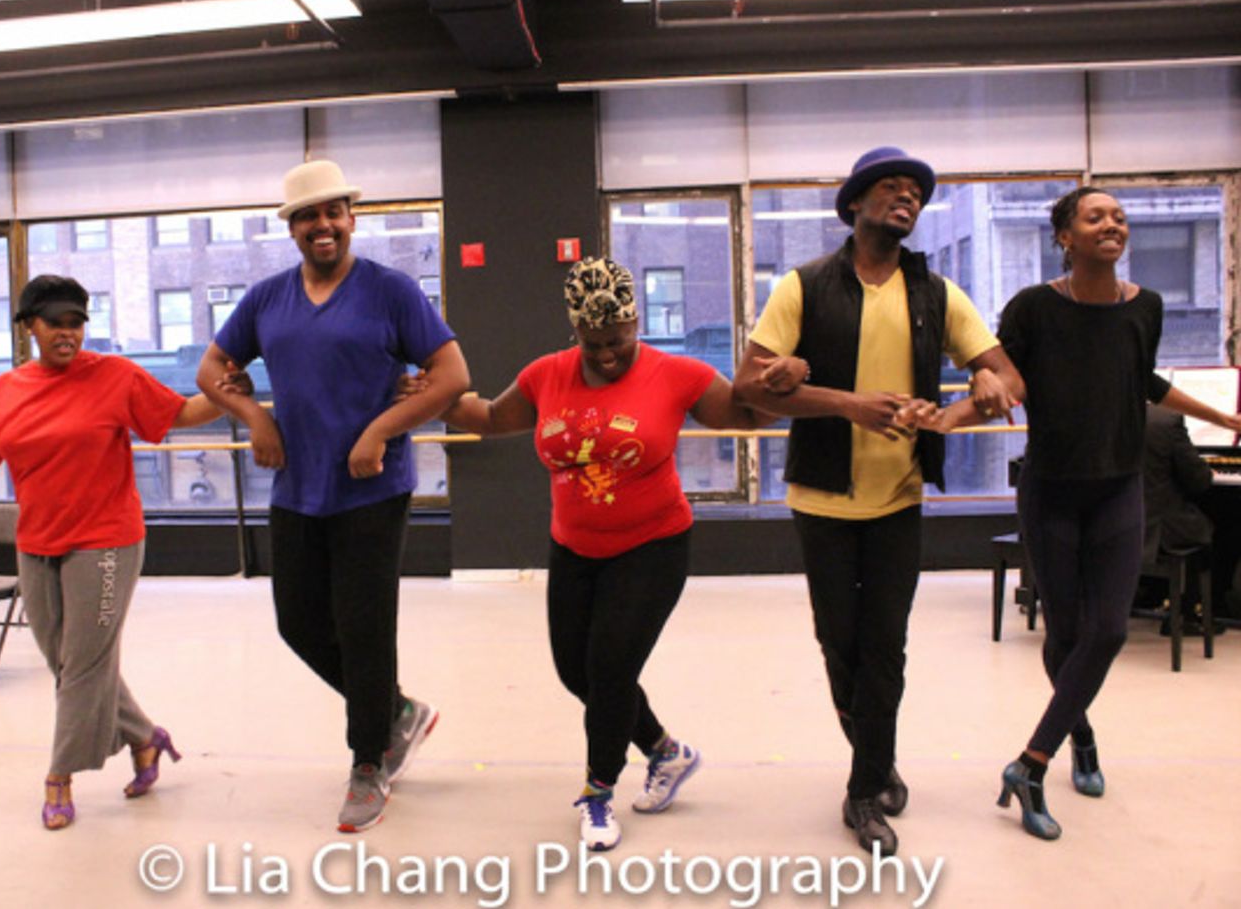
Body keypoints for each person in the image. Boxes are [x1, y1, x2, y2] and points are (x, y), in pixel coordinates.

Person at [414, 256, 802, 851]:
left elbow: (748, 417)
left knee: (612, 670)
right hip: (574, 547)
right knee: (578, 672)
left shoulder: (676, 375)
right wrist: (431, 397)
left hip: (653, 544)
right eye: (592, 343)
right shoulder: (547, 375)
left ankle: (598, 794)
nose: (606, 355)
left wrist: (782, 382)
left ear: (635, 322)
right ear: (575, 331)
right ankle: (668, 753)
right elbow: (489, 417)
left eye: (616, 340)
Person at [913, 186, 1241, 840]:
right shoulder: (1034, 307)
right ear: (1066, 235)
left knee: (1110, 629)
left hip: (1119, 490)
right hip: (1052, 491)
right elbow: (1006, 381)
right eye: (1096, 216)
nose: (1112, 224)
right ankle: (1080, 735)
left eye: (1119, 216)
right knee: (1064, 634)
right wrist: (948, 416)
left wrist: (1223, 415)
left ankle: (1031, 761)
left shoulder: (1145, 305)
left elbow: (1142, 379)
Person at [732, 146, 1023, 856]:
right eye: (892, 188)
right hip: (823, 498)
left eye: (916, 193)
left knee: (884, 647)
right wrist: (846, 403)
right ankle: (875, 750)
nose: (908, 199)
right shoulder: (803, 286)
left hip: (899, 498)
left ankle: (863, 790)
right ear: (856, 203)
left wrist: (971, 404)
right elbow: (748, 386)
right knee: (841, 644)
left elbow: (1004, 376)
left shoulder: (936, 293)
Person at [0, 274, 240, 831]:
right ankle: (146, 739)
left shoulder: (115, 376)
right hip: (38, 542)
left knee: (84, 664)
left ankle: (58, 778)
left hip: (107, 540)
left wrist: (228, 395)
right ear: (30, 327)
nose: (68, 333)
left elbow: (180, 415)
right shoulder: (3, 391)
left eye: (76, 322)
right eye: (55, 323)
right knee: (66, 662)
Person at [195, 158, 470, 833]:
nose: (323, 225)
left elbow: (451, 374)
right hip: (297, 487)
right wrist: (256, 417)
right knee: (298, 622)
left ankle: (368, 761)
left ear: (351, 217)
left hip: (373, 489)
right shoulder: (266, 299)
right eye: (308, 215)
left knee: (365, 627)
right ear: (291, 227)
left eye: (333, 212)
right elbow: (210, 368)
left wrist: (380, 429)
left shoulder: (390, 290)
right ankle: (396, 712)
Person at [1143, 403, 1223, 635]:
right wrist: (1208, 472)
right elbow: (1198, 479)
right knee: (1217, 527)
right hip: (1161, 528)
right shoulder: (1168, 421)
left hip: (1118, 523)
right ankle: (1190, 611)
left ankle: (1150, 595)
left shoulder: (1104, 416)